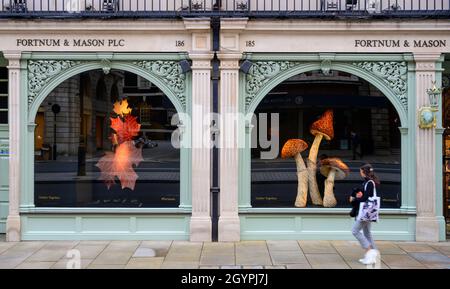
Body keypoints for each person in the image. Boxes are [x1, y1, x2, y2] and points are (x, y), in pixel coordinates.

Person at [349, 163, 380, 265]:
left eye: (360, 171)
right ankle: (373, 255)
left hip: (366, 212)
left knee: (355, 230)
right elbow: (365, 195)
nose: (360, 173)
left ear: (364, 172)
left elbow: (365, 198)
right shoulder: (367, 183)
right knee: (367, 233)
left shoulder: (369, 183)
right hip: (369, 212)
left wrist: (355, 198)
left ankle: (369, 250)